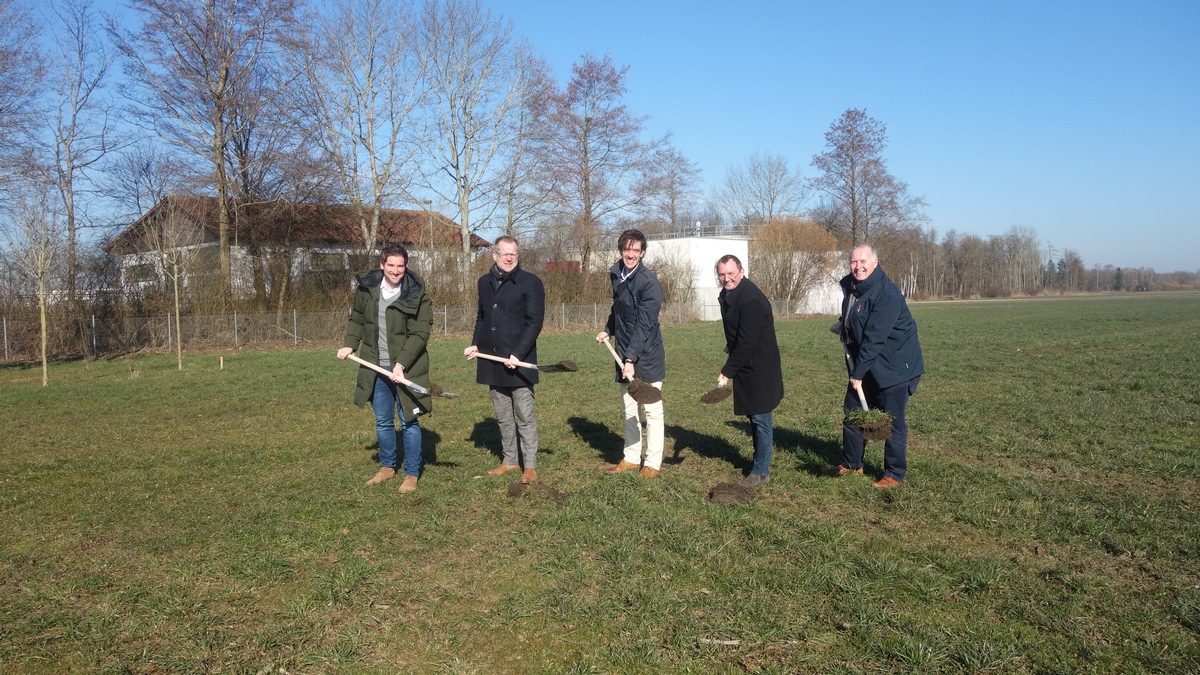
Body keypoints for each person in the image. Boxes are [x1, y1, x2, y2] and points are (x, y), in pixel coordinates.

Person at [337, 244, 433, 494]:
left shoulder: (416, 292)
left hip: (406, 367)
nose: (395, 270)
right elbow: (357, 318)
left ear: (406, 267)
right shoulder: (367, 289)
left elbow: (421, 332)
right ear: (382, 265)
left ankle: (412, 472)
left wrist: (400, 364)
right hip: (374, 366)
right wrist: (349, 345)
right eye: (390, 265)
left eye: (400, 266)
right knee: (383, 421)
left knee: (409, 421)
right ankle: (388, 466)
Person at [830, 243, 924, 489]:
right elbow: (857, 312)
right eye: (853, 262)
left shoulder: (886, 294)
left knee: (892, 421)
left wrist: (858, 373)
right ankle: (852, 465)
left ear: (875, 263)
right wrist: (844, 323)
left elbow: (875, 337)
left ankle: (893, 474)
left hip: (895, 365)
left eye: (863, 262)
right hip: (868, 362)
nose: (858, 267)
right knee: (853, 412)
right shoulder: (853, 286)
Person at [464, 235, 546, 485]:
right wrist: (475, 343)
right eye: (505, 253)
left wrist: (518, 354)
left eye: (514, 254)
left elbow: (535, 323)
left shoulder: (531, 283)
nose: (509, 258)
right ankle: (510, 460)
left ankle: (529, 465)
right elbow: (482, 317)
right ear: (495, 255)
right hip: (492, 359)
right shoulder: (483, 283)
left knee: (524, 414)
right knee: (502, 415)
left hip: (519, 362)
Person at [596, 229, 666, 478]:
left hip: (646, 355)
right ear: (621, 250)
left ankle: (653, 464)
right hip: (625, 352)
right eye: (627, 249)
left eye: (636, 250)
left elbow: (644, 324)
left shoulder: (649, 283)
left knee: (652, 411)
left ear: (643, 253)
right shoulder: (617, 274)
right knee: (629, 409)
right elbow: (619, 309)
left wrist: (630, 359)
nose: (631, 254)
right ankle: (631, 458)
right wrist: (608, 329)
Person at [715, 255, 784, 488]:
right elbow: (737, 332)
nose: (727, 278)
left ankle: (760, 472)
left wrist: (727, 372)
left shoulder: (752, 299)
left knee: (761, 418)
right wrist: (730, 346)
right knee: (753, 417)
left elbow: (747, 343)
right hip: (747, 364)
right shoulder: (728, 295)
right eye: (722, 274)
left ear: (741, 272)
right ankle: (758, 463)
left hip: (759, 367)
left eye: (731, 273)